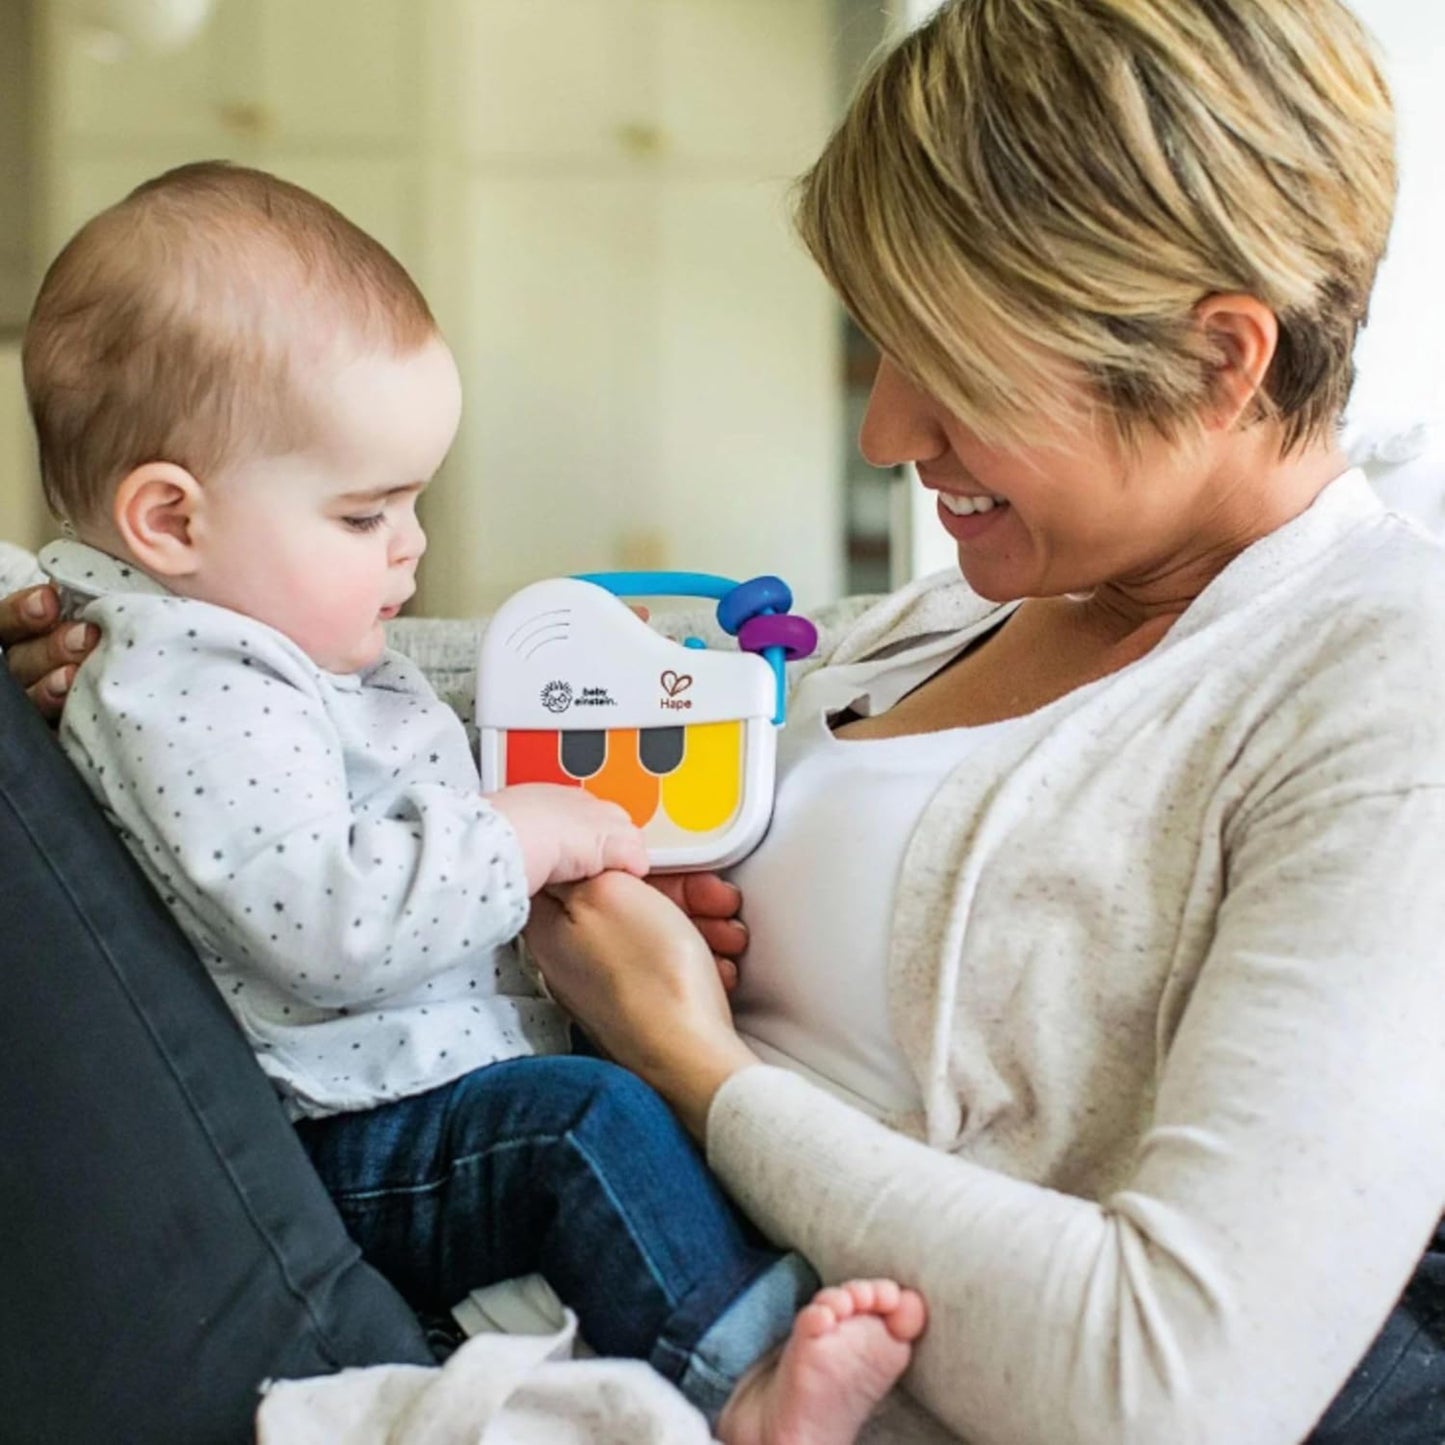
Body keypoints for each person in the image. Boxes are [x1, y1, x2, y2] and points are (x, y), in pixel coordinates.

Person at [8, 1, 1445, 1441]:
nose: (887, 431)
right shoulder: (965, 615)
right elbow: (514, 679)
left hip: (682, 1320)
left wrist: (690, 1062)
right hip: (515, 1233)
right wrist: (184, 655)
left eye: (954, 363)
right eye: (881, 350)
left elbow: (1168, 1385)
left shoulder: (1384, 682)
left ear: (1218, 359)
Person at [11, 160, 925, 1445]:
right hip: (349, 1137)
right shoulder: (190, 676)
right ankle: (740, 1376)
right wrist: (520, 837)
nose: (412, 545)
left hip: (393, 1093)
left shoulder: (255, 647)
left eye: (413, 500)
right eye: (364, 510)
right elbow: (322, 921)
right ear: (168, 518)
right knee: (583, 1124)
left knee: (595, 1114)